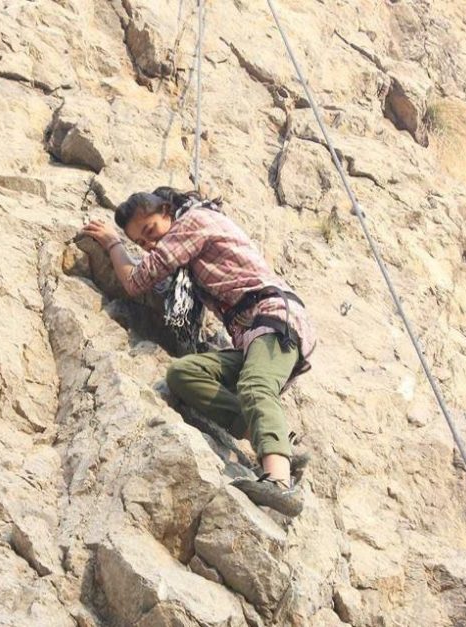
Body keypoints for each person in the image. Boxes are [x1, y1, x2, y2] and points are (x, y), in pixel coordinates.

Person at [81, 188, 316, 517]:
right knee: (184, 374)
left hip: (275, 319)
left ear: (167, 211)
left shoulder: (192, 223)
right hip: (252, 337)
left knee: (255, 386)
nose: (150, 246)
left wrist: (112, 244)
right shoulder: (187, 240)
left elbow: (136, 280)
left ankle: (278, 482)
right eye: (142, 244)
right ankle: (278, 443)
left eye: (150, 231)